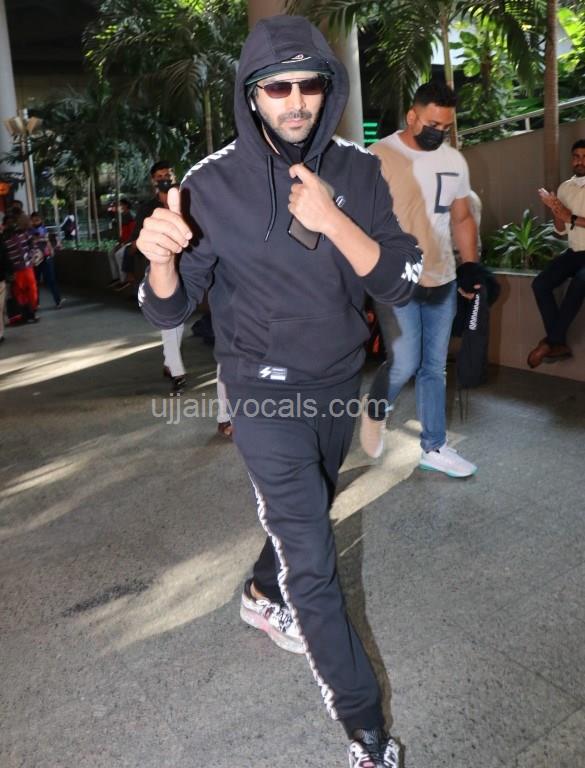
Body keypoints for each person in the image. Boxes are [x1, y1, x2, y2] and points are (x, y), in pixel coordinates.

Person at [137, 15, 423, 766]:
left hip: (337, 380)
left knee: (311, 507)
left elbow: (399, 278)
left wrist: (331, 218)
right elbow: (169, 310)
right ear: (251, 94)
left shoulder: (358, 172)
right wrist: (161, 264)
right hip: (262, 392)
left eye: (309, 85)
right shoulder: (210, 185)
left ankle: (261, 595)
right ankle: (367, 736)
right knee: (313, 562)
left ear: (328, 88)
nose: (295, 101)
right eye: (277, 87)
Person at [360, 81, 480, 478]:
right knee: (405, 361)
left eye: (445, 127)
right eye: (432, 124)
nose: (438, 132)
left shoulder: (454, 160)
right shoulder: (378, 156)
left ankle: (434, 446)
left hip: (442, 278)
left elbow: (462, 217)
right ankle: (376, 410)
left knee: (434, 367)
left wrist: (470, 266)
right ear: (412, 116)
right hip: (397, 279)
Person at [128, 162, 187, 396]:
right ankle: (177, 372)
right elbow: (135, 243)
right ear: (153, 180)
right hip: (160, 271)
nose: (164, 179)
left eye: (167, 175)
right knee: (170, 322)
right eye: (159, 176)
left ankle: (169, 362)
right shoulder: (147, 208)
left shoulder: (187, 198)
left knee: (178, 322)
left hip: (186, 269)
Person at [528, 139, 585, 368]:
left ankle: (552, 342)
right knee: (540, 284)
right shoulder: (565, 187)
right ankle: (557, 342)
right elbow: (561, 230)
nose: (580, 161)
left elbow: (570, 219)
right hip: (575, 252)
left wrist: (570, 216)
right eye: (576, 157)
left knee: (580, 281)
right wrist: (555, 208)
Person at [3, 214, 38, 323]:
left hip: (26, 267)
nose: (11, 224)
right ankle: (27, 315)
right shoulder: (4, 238)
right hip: (16, 270)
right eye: (8, 223)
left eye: (12, 222)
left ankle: (31, 313)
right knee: (20, 293)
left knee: (31, 291)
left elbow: (32, 245)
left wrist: (30, 257)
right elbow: (5, 256)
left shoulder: (24, 233)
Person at [29, 211, 62, 308]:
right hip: (36, 259)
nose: (35, 222)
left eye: (37, 220)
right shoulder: (29, 231)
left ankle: (58, 300)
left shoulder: (45, 230)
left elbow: (51, 241)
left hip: (47, 257)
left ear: (41, 220)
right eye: (33, 220)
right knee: (36, 281)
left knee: (51, 280)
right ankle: (36, 303)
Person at [107, 198, 135, 288]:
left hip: (130, 242)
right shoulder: (122, 216)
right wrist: (120, 242)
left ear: (126, 205)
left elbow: (132, 234)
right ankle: (116, 277)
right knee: (111, 253)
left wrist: (124, 243)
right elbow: (123, 233)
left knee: (118, 254)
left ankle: (123, 279)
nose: (119, 207)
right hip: (124, 241)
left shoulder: (130, 216)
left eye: (121, 205)